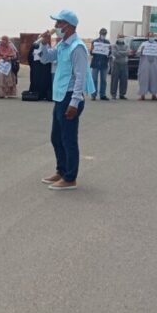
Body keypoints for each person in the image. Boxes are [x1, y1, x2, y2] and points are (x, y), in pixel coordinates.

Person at [39, 10, 96, 190]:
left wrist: (75, 102)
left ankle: (70, 177)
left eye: (59, 23)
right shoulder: (62, 45)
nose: (55, 26)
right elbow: (46, 59)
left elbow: (80, 76)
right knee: (56, 137)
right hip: (60, 96)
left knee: (68, 139)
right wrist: (44, 44)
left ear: (68, 26)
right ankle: (61, 170)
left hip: (71, 97)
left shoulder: (77, 47)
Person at [137, 32, 157, 101]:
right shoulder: (143, 44)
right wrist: (141, 51)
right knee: (143, 79)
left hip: (154, 66)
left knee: (155, 79)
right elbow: (138, 53)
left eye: (152, 36)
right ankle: (142, 95)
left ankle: (154, 95)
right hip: (145, 65)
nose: (151, 37)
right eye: (150, 36)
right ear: (147, 37)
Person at [28, 32, 53, 101]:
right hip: (37, 67)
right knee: (36, 81)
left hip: (44, 67)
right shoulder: (35, 45)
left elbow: (49, 56)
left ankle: (44, 94)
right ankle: (37, 94)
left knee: (44, 81)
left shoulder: (47, 46)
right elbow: (30, 56)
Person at [89, 28, 111, 100]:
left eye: (105, 34)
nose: (103, 35)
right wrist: (92, 49)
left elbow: (109, 53)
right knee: (94, 79)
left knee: (103, 80)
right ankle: (93, 95)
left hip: (104, 63)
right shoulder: (94, 42)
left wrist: (109, 50)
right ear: (100, 34)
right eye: (102, 34)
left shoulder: (107, 42)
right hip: (95, 63)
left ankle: (102, 95)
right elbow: (91, 53)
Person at [110, 33, 129, 100]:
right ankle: (113, 94)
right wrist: (123, 53)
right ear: (117, 38)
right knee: (114, 80)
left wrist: (120, 52)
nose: (121, 38)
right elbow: (115, 53)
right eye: (120, 37)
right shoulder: (114, 46)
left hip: (124, 64)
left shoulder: (126, 45)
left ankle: (122, 94)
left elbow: (128, 52)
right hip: (116, 64)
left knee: (124, 80)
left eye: (122, 37)